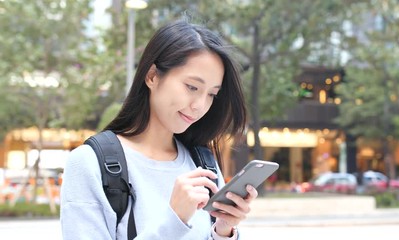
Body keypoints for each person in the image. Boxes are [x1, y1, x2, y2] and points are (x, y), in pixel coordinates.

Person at [60, 20, 257, 239]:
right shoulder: (90, 162)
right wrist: (174, 219)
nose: (200, 105)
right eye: (192, 87)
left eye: (211, 94)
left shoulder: (202, 162)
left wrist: (223, 230)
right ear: (152, 76)